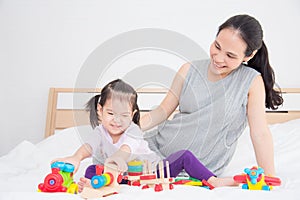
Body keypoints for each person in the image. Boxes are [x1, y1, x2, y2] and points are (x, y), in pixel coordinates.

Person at [140, 14, 283, 177]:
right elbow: (163, 111)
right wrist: (130, 127)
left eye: (230, 55)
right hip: (154, 149)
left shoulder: (251, 82)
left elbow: (260, 133)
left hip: (198, 168)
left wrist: (271, 178)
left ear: (249, 56)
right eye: (217, 46)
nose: (218, 58)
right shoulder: (189, 69)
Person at [53, 79, 236, 192]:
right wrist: (76, 158)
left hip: (152, 171)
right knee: (91, 170)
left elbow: (125, 151)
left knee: (184, 156)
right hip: (119, 177)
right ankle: (95, 184)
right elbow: (88, 147)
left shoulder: (133, 131)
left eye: (123, 115)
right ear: (100, 111)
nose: (117, 121)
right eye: (110, 114)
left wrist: (114, 163)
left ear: (132, 115)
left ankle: (214, 180)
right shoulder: (99, 132)